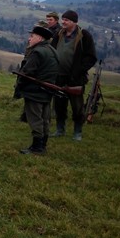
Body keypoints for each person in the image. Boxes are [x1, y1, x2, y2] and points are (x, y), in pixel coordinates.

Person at [50, 10, 97, 141]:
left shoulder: (84, 36)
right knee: (59, 105)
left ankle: (77, 132)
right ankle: (60, 129)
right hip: (59, 76)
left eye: (67, 20)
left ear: (74, 22)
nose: (63, 22)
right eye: (63, 19)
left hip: (76, 78)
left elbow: (90, 57)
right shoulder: (58, 34)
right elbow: (52, 51)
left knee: (77, 107)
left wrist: (78, 72)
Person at [14, 25, 59, 154]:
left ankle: (37, 147)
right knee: (45, 119)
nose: (29, 39)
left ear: (39, 38)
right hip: (47, 91)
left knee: (35, 120)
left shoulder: (37, 52)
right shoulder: (52, 50)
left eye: (32, 36)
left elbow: (27, 72)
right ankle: (43, 145)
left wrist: (20, 86)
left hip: (35, 92)